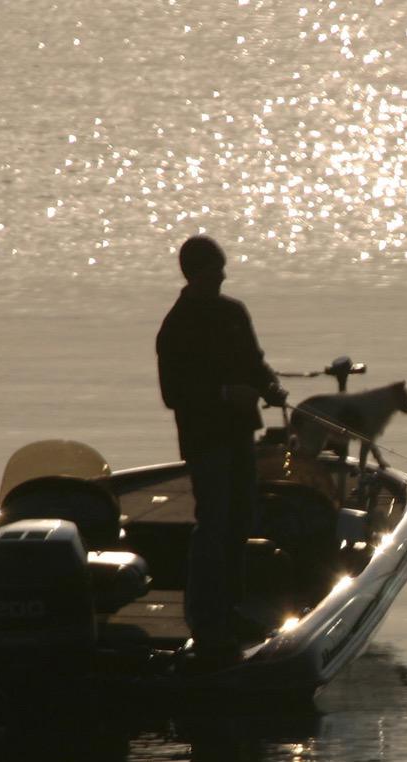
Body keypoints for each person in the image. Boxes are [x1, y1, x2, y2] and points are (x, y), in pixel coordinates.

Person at [156, 236, 287, 663]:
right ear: (195, 274)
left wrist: (270, 386)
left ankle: (230, 608)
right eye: (216, 269)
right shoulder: (175, 327)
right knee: (212, 523)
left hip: (239, 435)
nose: (223, 275)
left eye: (223, 268)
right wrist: (225, 392)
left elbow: (256, 361)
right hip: (205, 439)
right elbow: (174, 394)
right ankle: (202, 616)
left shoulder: (234, 312)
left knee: (241, 519)